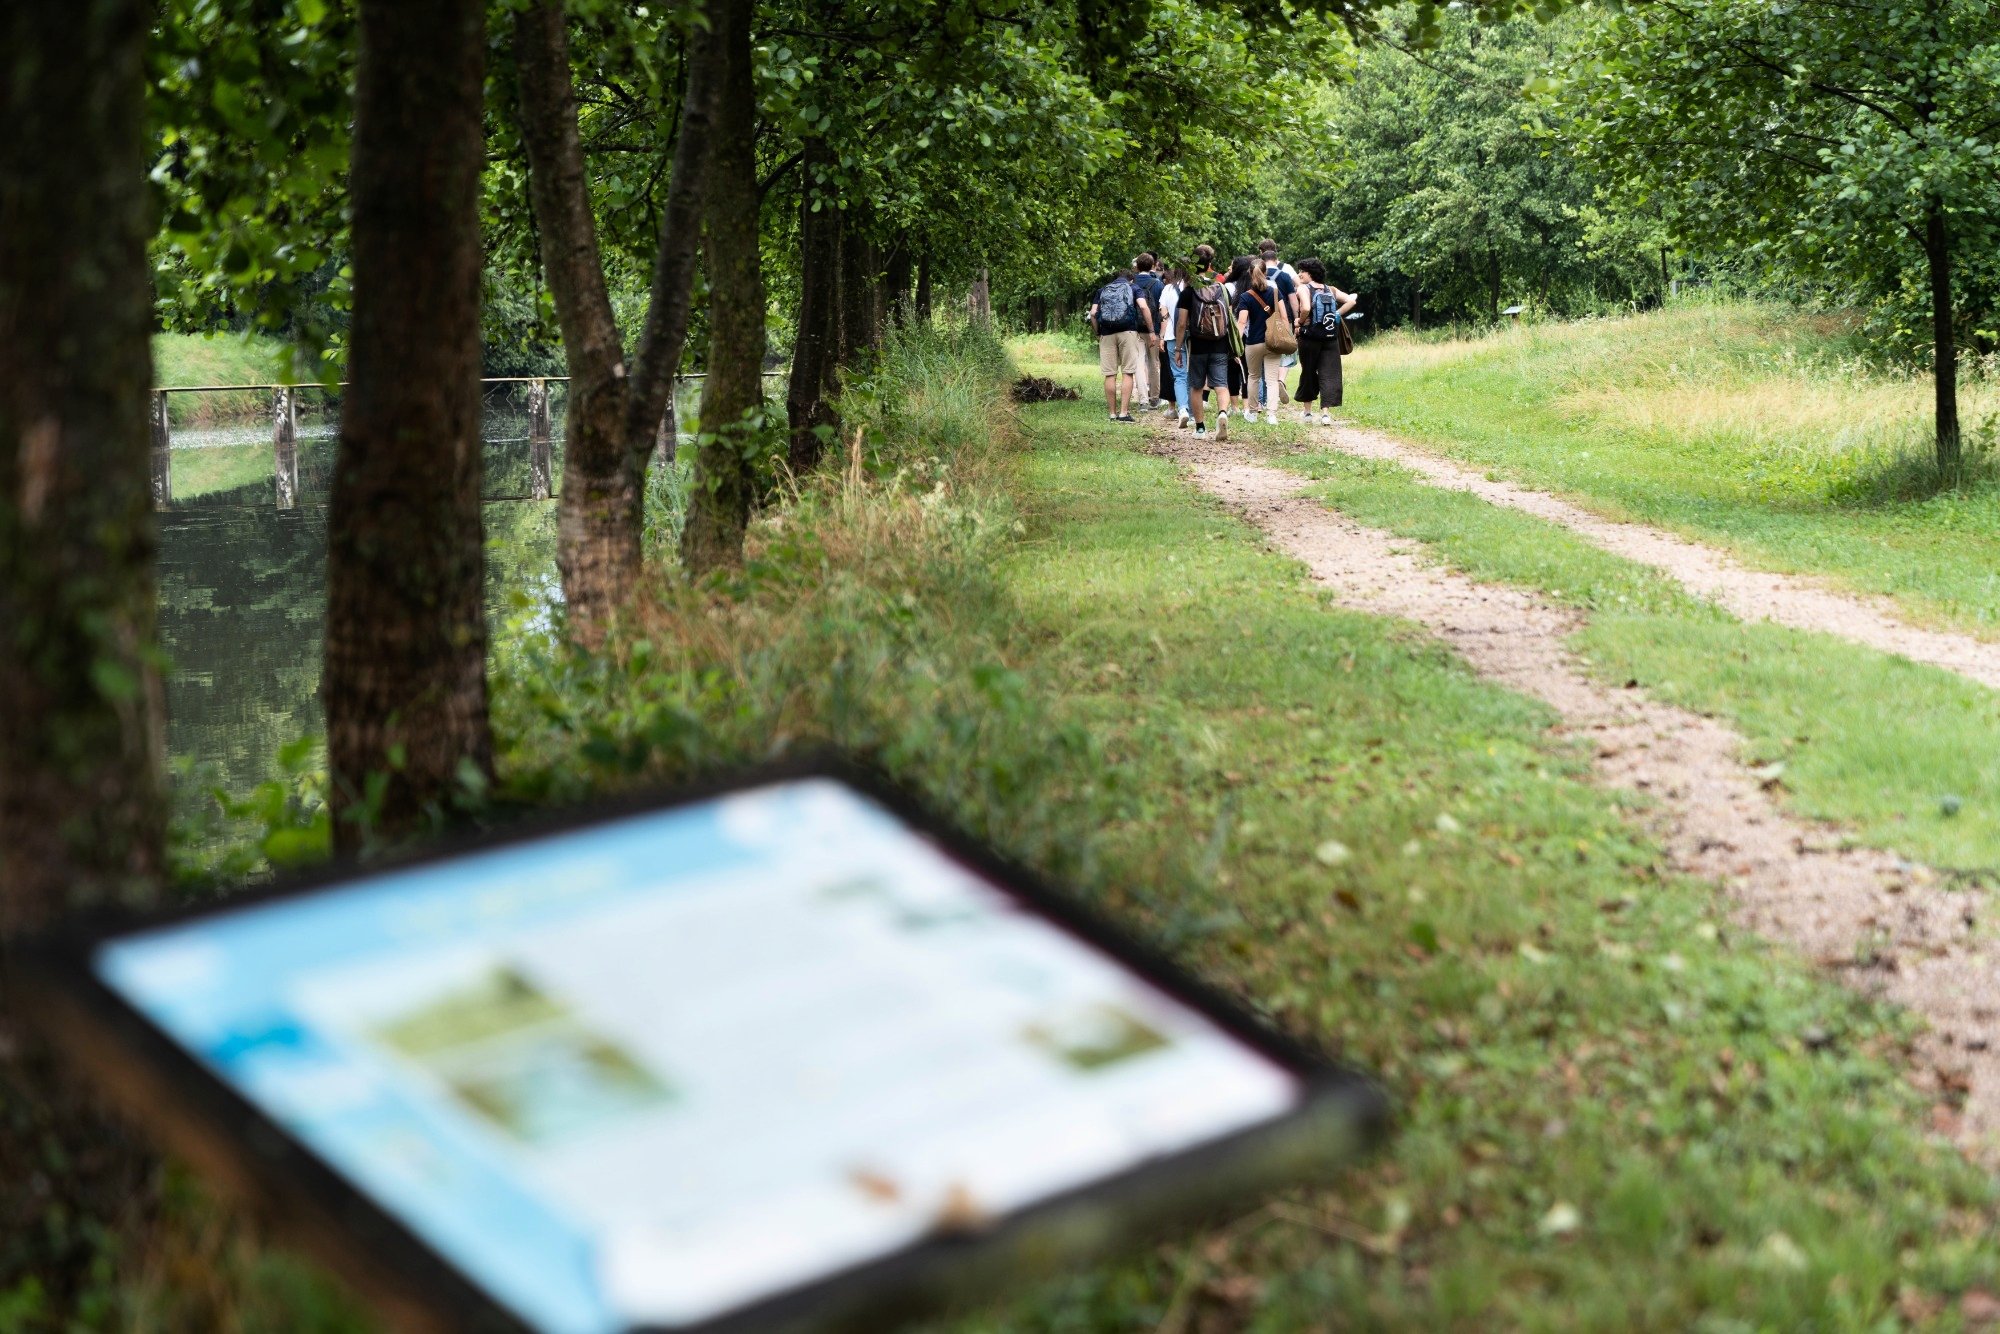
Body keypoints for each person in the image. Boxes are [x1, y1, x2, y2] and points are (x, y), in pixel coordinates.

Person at [1292, 257, 1358, 425]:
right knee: (1329, 373)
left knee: (1308, 372)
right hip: (1330, 338)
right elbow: (1351, 300)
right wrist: (1337, 314)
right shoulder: (1331, 290)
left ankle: (1307, 413)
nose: (1300, 274)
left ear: (1310, 274)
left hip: (1309, 337)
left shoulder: (1303, 289)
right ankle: (1326, 414)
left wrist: (1299, 321)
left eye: (1302, 271)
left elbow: (1306, 308)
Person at [1173, 264, 1235, 439]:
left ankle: (1200, 428)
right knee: (1222, 385)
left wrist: (1178, 348)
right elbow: (1229, 318)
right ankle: (1222, 412)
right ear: (1209, 265)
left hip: (1198, 346)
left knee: (1197, 386)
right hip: (1220, 344)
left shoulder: (1189, 291)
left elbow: (1182, 323)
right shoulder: (1221, 289)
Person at [1230, 256, 1292, 424]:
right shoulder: (1274, 292)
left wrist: (1236, 345)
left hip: (1253, 343)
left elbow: (1242, 322)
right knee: (1272, 380)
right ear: (1265, 272)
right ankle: (1271, 415)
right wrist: (1285, 336)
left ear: (1250, 274)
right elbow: (1285, 317)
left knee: (1253, 377)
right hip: (1272, 342)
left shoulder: (1245, 296)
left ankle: (1252, 413)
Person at [1089, 266, 1152, 422]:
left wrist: (1098, 332)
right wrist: (1151, 330)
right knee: (1128, 372)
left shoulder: (1103, 289)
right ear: (1131, 278)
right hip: (1128, 332)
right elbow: (1143, 306)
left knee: (1110, 374)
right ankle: (1123, 413)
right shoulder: (1134, 287)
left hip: (1106, 333)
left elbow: (1092, 314)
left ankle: (1112, 414)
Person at [1157, 266, 1191, 425]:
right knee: (1192, 373)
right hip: (1193, 335)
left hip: (1172, 334)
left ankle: (1182, 408)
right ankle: (1191, 411)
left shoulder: (1168, 289)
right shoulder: (1194, 287)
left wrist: (1162, 337)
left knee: (1179, 374)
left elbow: (1164, 316)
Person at [1132, 254, 1166, 409]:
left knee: (1138, 363)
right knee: (1154, 363)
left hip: (1135, 329)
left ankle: (1143, 400)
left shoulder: (1132, 282)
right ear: (1153, 266)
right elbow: (1162, 309)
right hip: (1155, 330)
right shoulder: (1158, 284)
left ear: (1137, 266)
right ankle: (1154, 398)